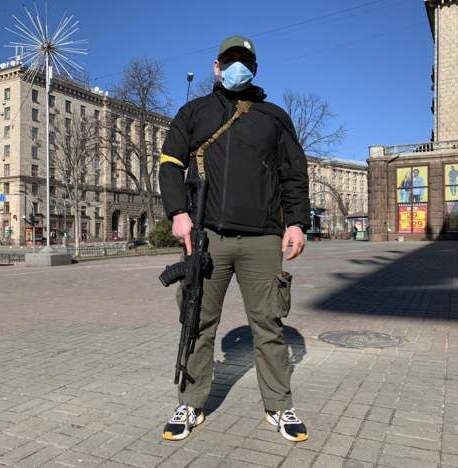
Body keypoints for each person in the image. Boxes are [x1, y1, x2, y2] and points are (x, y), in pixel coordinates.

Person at [159, 35, 310, 443]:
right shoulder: (194, 112)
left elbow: (294, 174)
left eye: (244, 61)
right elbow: (170, 163)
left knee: (269, 325)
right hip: (206, 238)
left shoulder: (273, 117)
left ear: (255, 69)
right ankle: (191, 403)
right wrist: (177, 213)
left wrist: (296, 223)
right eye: (230, 60)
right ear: (216, 66)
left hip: (263, 238)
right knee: (197, 322)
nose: (236, 67)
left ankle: (279, 406)